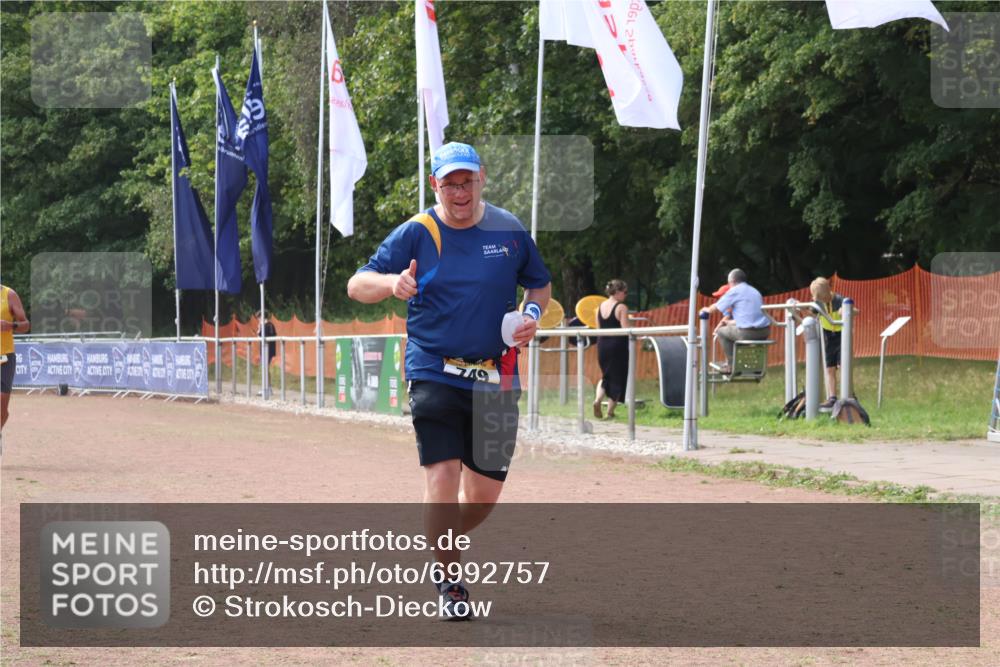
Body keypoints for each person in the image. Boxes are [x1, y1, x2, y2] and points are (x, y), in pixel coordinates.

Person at [347, 142, 551, 620]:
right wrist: (393, 283)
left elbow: (537, 282)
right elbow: (358, 283)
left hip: (496, 375)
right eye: (449, 183)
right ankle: (450, 581)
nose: (459, 192)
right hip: (433, 367)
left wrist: (533, 312)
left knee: (482, 497)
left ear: (482, 178)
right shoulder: (418, 232)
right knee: (442, 475)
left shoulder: (509, 229)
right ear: (435, 184)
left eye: (467, 181)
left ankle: (437, 536)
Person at [699, 268, 770, 373]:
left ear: (732, 281)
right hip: (764, 331)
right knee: (735, 332)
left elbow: (717, 307)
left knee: (721, 332)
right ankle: (754, 366)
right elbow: (749, 316)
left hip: (748, 332)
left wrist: (707, 309)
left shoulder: (735, 291)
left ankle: (732, 366)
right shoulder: (755, 291)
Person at [808, 277, 847, 411]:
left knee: (843, 365)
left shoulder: (840, 300)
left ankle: (847, 394)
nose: (822, 301)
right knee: (830, 368)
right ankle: (832, 397)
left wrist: (847, 311)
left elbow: (855, 311)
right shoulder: (817, 303)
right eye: (820, 300)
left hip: (841, 336)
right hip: (828, 336)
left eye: (824, 299)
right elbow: (811, 314)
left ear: (828, 292)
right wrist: (797, 309)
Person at [593, 279, 628, 420]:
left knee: (606, 376)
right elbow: (626, 329)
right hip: (617, 345)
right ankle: (609, 413)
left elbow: (598, 329)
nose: (626, 295)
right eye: (625, 292)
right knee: (618, 378)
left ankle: (597, 400)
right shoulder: (621, 307)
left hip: (602, 344)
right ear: (618, 292)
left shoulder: (599, 307)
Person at [1, 284, 30, 431]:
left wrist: (10, 326)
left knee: (2, 408)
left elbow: (25, 325)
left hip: (4, 357)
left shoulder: (9, 295)